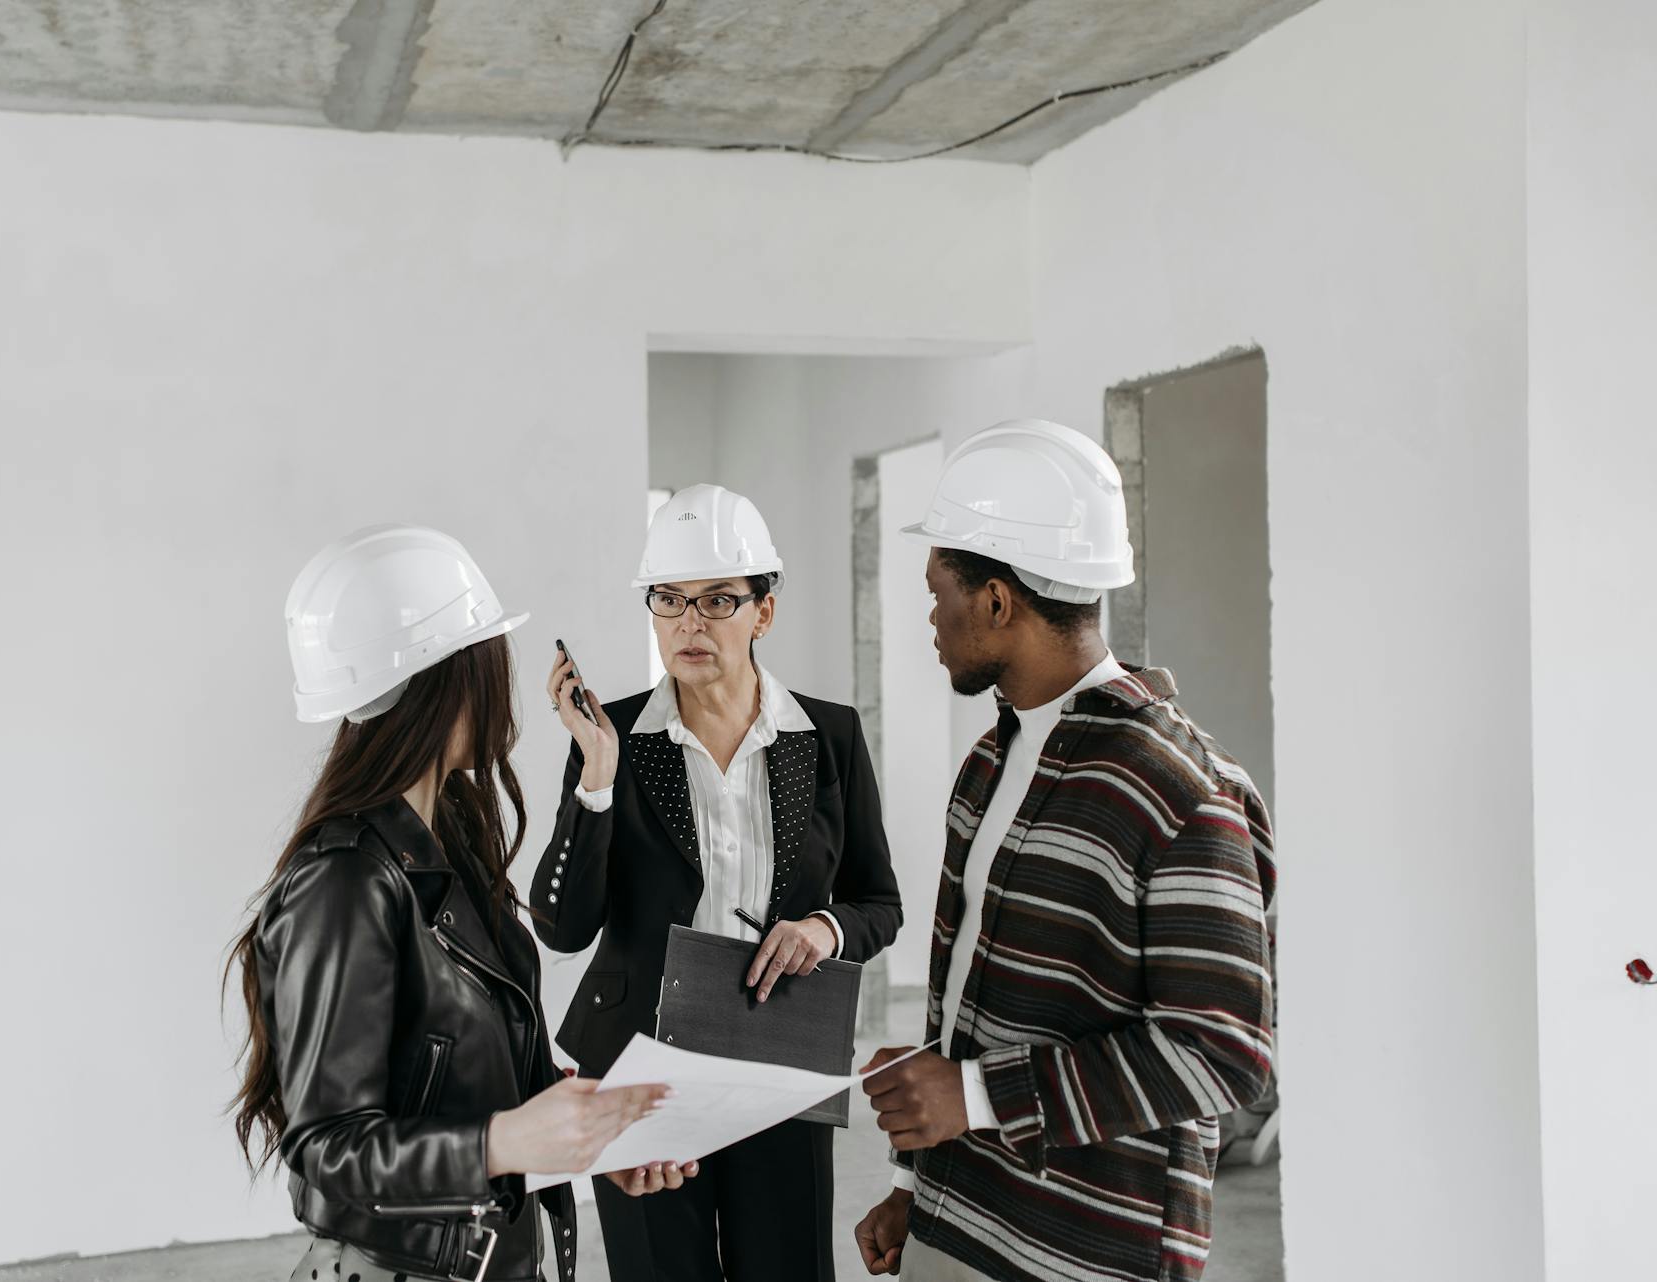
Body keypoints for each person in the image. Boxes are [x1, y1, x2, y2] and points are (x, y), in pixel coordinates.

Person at [854, 422, 1277, 1282]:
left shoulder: (1182, 791)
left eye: (939, 593)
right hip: (957, 1222)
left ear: (998, 601)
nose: (930, 619)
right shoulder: (987, 765)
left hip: (1089, 1256)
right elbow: (960, 997)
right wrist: (915, 1182)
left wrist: (974, 1096)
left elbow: (1223, 1053)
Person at [227, 524, 693, 1282]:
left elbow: (467, 1080)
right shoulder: (345, 881)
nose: (503, 682)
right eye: (488, 659)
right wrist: (502, 1144)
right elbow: (328, 1145)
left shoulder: (446, 843)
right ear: (445, 678)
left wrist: (590, 1134)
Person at [530, 484, 904, 1282]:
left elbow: (881, 902)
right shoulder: (613, 737)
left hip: (782, 1058)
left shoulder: (827, 736)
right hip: (641, 1061)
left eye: (717, 600)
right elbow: (561, 927)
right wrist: (597, 777)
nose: (689, 623)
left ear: (763, 612)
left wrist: (824, 931)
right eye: (668, 600)